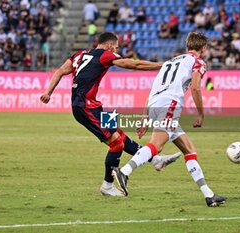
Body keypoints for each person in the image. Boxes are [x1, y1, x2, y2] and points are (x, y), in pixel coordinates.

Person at [40, 32, 181, 196]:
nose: (116, 50)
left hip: (92, 105)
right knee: (117, 144)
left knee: (120, 135)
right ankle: (107, 185)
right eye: (116, 47)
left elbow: (59, 71)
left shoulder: (79, 54)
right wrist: (163, 66)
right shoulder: (106, 55)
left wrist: (48, 92)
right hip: (85, 107)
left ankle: (156, 160)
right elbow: (133, 65)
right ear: (109, 46)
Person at [113, 32, 228, 207]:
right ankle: (125, 171)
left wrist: (145, 116)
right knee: (156, 146)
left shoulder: (170, 62)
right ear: (203, 48)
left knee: (189, 150)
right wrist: (201, 114)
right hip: (170, 104)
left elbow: (153, 89)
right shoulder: (198, 62)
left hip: (155, 103)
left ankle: (208, 194)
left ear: (187, 46)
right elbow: (196, 88)